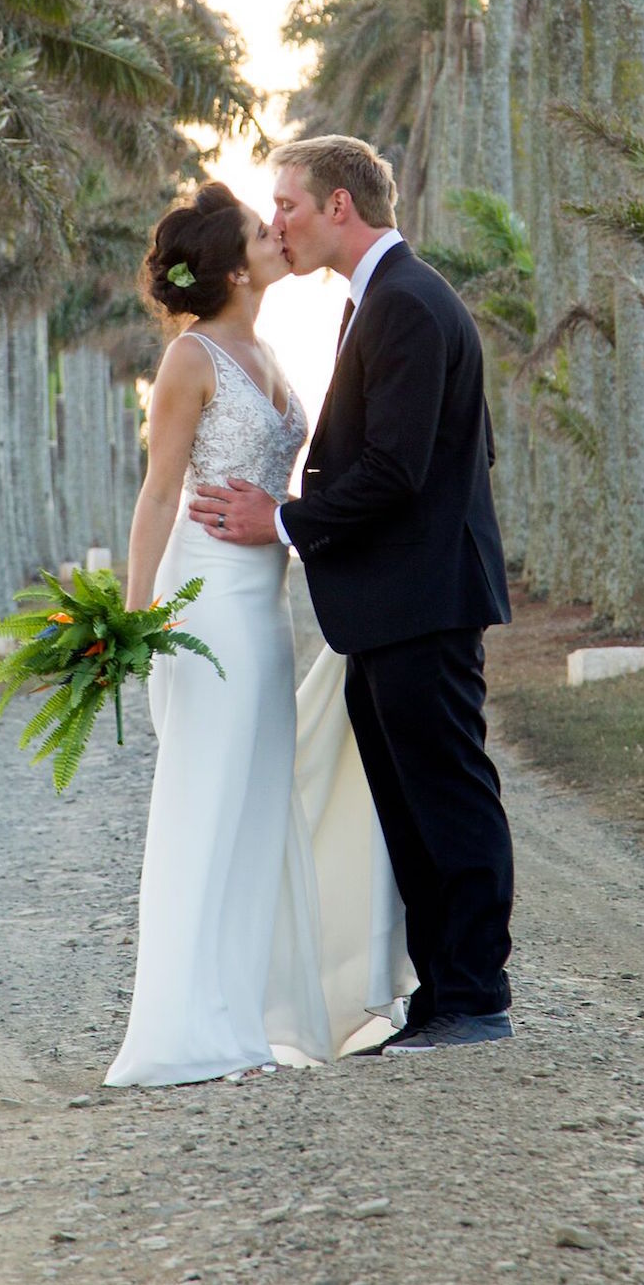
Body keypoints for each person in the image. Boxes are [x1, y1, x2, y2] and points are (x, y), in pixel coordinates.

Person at [189, 135, 515, 1054]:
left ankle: (476, 992)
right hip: (393, 599)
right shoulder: (380, 300)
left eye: (287, 203)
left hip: (425, 600)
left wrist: (283, 519)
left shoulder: (407, 302)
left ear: (340, 206)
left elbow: (397, 469)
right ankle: (441, 992)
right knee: (408, 803)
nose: (276, 222)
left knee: (447, 793)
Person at [106, 182, 412, 1088]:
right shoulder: (189, 360)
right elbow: (159, 493)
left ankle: (240, 1017)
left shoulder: (271, 349)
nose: (280, 233)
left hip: (266, 605)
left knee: (257, 803)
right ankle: (181, 1028)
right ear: (236, 268)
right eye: (260, 228)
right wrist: (134, 620)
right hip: (201, 603)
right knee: (207, 800)